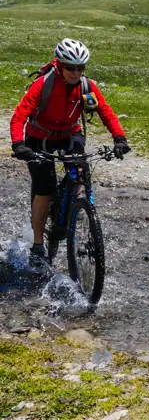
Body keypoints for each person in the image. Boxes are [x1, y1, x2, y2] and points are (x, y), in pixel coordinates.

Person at [9, 38, 130, 268]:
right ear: (59, 65)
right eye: (70, 68)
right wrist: (18, 144)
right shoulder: (43, 85)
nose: (76, 73)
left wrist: (119, 138)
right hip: (39, 139)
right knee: (44, 190)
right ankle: (37, 245)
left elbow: (106, 112)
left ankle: (75, 210)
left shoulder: (86, 86)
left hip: (69, 135)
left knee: (80, 174)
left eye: (80, 68)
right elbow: (19, 116)